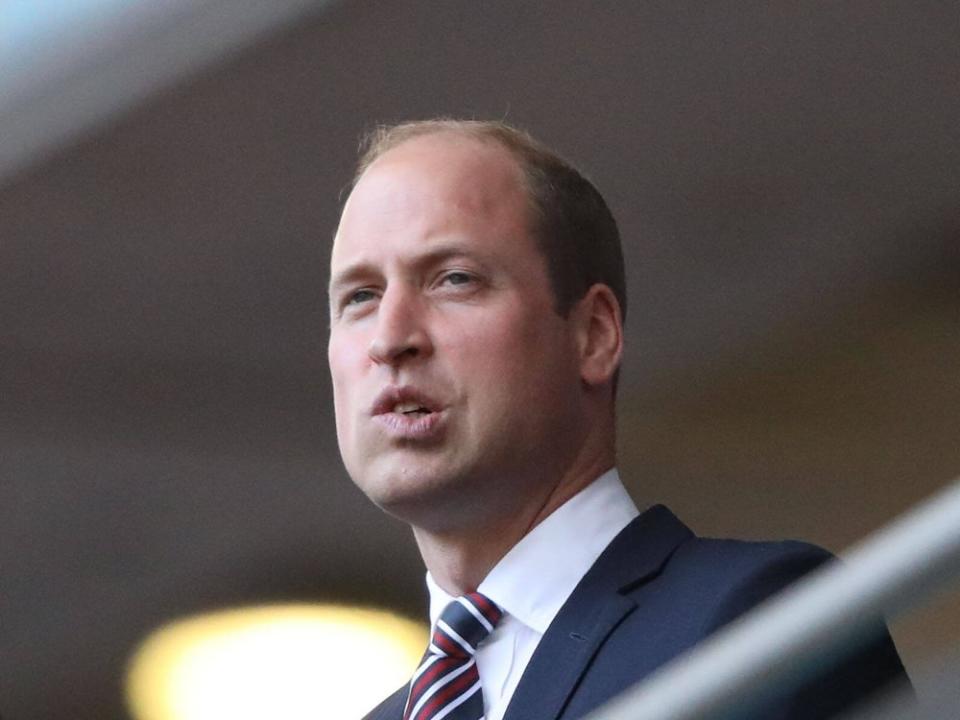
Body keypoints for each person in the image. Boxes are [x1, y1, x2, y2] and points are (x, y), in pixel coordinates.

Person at [326, 119, 908, 720]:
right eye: (360, 297)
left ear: (594, 335)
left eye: (454, 279)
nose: (390, 338)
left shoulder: (755, 619)